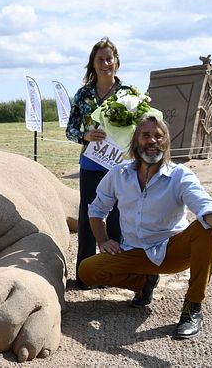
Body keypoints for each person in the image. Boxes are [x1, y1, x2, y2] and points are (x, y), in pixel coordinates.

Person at [78, 115, 212, 339]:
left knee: (205, 228)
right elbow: (97, 209)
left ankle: (192, 308)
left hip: (172, 251)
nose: (152, 141)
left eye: (158, 136)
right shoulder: (119, 174)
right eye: (145, 135)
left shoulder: (179, 175)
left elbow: (209, 208)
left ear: (166, 142)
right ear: (136, 140)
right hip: (134, 252)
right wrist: (103, 240)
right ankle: (144, 282)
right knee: (87, 271)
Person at [65, 37, 126, 289]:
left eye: (109, 58)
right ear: (93, 63)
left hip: (119, 166)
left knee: (117, 218)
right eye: (100, 59)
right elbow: (70, 129)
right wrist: (85, 135)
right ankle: (86, 274)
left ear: (116, 62)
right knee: (89, 216)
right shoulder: (83, 95)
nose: (105, 63)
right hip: (91, 164)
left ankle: (114, 273)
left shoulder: (128, 94)